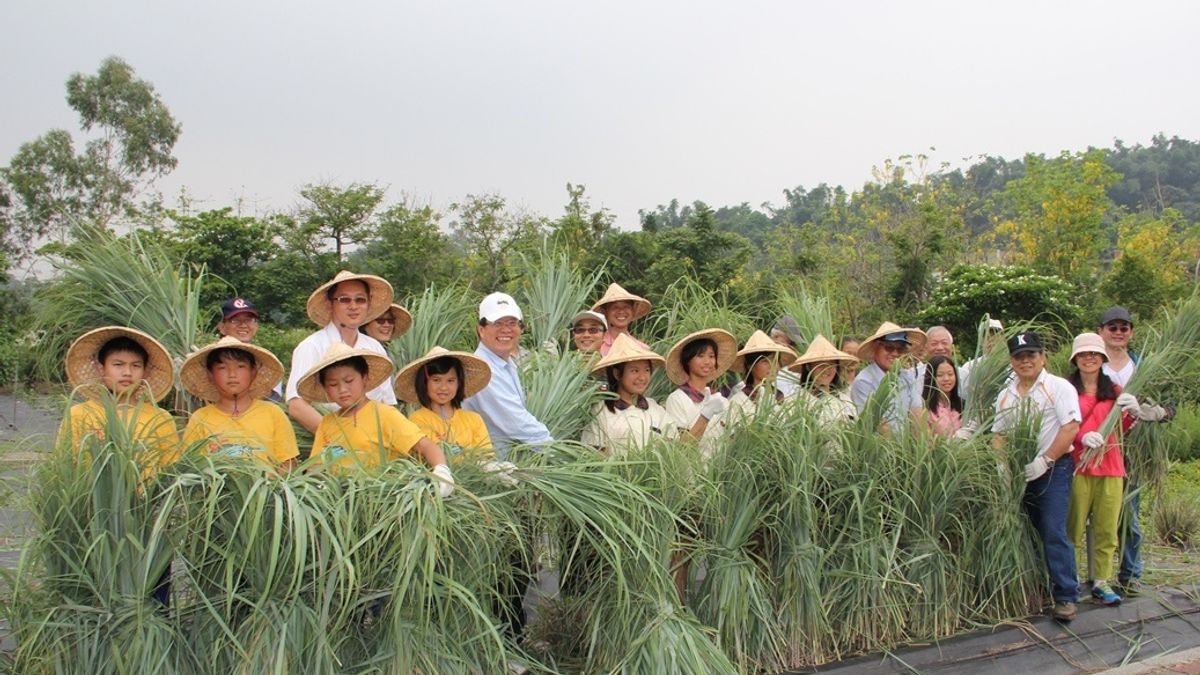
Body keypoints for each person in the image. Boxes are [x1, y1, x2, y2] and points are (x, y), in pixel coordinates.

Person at [58, 326, 179, 606]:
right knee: (99, 599)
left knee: (152, 602)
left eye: (136, 366)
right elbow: (66, 467)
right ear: (101, 369)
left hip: (148, 523)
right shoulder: (80, 415)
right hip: (93, 520)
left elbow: (172, 474)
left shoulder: (160, 419)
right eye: (118, 365)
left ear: (145, 373)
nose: (127, 373)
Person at [991, 330, 1082, 622]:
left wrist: (1045, 460)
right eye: (1019, 357)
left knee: (1053, 530)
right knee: (1026, 531)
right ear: (1011, 361)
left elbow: (1070, 427)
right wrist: (1003, 467)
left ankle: (1066, 595)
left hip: (1053, 469)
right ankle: (1035, 589)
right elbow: (1000, 435)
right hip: (1021, 473)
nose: (1025, 361)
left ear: (1042, 357)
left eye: (1031, 355)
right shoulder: (1006, 395)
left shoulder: (1058, 387)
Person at [297, 343, 453, 494]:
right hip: (339, 504)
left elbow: (425, 445)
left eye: (349, 381)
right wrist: (317, 485)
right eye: (333, 384)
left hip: (379, 500)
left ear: (364, 378)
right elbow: (315, 466)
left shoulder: (385, 415)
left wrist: (441, 469)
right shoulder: (327, 423)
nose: (343, 389)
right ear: (325, 388)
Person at [1097, 305, 1169, 597]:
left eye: (1123, 328)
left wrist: (1153, 412)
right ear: (1101, 331)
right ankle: (1094, 576)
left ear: (1131, 333)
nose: (1117, 333)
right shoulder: (1091, 365)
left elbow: (1170, 405)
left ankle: (1130, 574)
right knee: (1091, 516)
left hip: (1132, 450)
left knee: (1130, 515)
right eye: (1112, 328)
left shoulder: (1143, 367)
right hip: (1096, 449)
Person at [1064, 331, 1139, 607]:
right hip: (1077, 467)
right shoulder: (1067, 389)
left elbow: (1125, 427)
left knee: (1106, 529)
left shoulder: (1115, 391)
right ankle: (1068, 581)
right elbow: (1059, 424)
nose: (1089, 358)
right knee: (1073, 528)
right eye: (1083, 354)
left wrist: (1134, 411)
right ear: (1075, 358)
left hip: (1110, 467)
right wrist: (1080, 436)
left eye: (1094, 353)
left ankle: (1100, 581)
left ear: (1102, 357)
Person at [285, 271, 397, 433]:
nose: (353, 306)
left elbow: (388, 403)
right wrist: (339, 439)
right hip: (334, 448)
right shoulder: (312, 346)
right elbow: (297, 406)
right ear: (331, 305)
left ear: (368, 304)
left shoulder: (374, 348)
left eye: (360, 300)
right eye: (344, 300)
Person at [179, 336, 299, 472]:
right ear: (210, 375)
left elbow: (288, 463)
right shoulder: (200, 419)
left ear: (253, 372)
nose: (232, 374)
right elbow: (192, 467)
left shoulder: (273, 413)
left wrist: (271, 490)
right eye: (222, 368)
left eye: (240, 367)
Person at [462, 292, 553, 458]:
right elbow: (517, 423)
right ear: (481, 329)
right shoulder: (482, 370)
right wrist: (557, 452)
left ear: (521, 328)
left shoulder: (506, 364)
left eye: (512, 323)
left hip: (508, 464)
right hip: (488, 468)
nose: (506, 329)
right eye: (497, 323)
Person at [580, 334, 680, 455]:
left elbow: (673, 447)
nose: (642, 377)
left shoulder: (655, 409)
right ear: (617, 374)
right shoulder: (601, 411)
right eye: (634, 370)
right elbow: (595, 456)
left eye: (647, 370)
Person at [395, 346, 494, 461]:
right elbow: (434, 455)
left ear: (459, 383)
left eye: (450, 381)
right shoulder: (417, 420)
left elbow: (486, 456)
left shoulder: (474, 420)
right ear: (424, 382)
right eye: (436, 380)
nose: (443, 387)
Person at [663, 329, 737, 450]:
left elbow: (731, 442)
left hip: (718, 468)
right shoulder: (677, 399)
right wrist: (705, 416)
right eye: (700, 356)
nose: (707, 361)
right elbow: (681, 448)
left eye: (711, 356)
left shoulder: (721, 400)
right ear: (688, 360)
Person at [850, 322, 927, 433]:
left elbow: (917, 414)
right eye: (889, 348)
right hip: (878, 448)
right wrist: (897, 450)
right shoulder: (864, 381)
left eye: (900, 350)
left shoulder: (907, 377)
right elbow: (879, 426)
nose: (895, 354)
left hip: (906, 446)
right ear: (876, 348)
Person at [726, 330, 797, 420]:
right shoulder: (739, 402)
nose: (772, 366)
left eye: (775, 361)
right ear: (750, 365)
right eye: (765, 361)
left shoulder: (782, 399)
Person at [787, 335, 857, 424]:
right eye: (820, 365)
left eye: (831, 365)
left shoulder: (844, 399)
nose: (826, 370)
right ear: (809, 367)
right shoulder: (798, 402)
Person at [591, 283, 652, 356]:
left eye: (626, 307)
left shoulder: (642, 349)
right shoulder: (595, 346)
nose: (621, 311)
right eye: (615, 307)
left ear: (632, 311)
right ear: (605, 313)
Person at [922, 355, 963, 437]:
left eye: (950, 374)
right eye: (940, 375)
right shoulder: (924, 407)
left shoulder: (963, 405)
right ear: (931, 378)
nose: (946, 379)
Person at [769, 316, 805, 397]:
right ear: (775, 337)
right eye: (790, 342)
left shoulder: (796, 371)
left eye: (793, 344)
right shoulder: (762, 369)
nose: (791, 347)